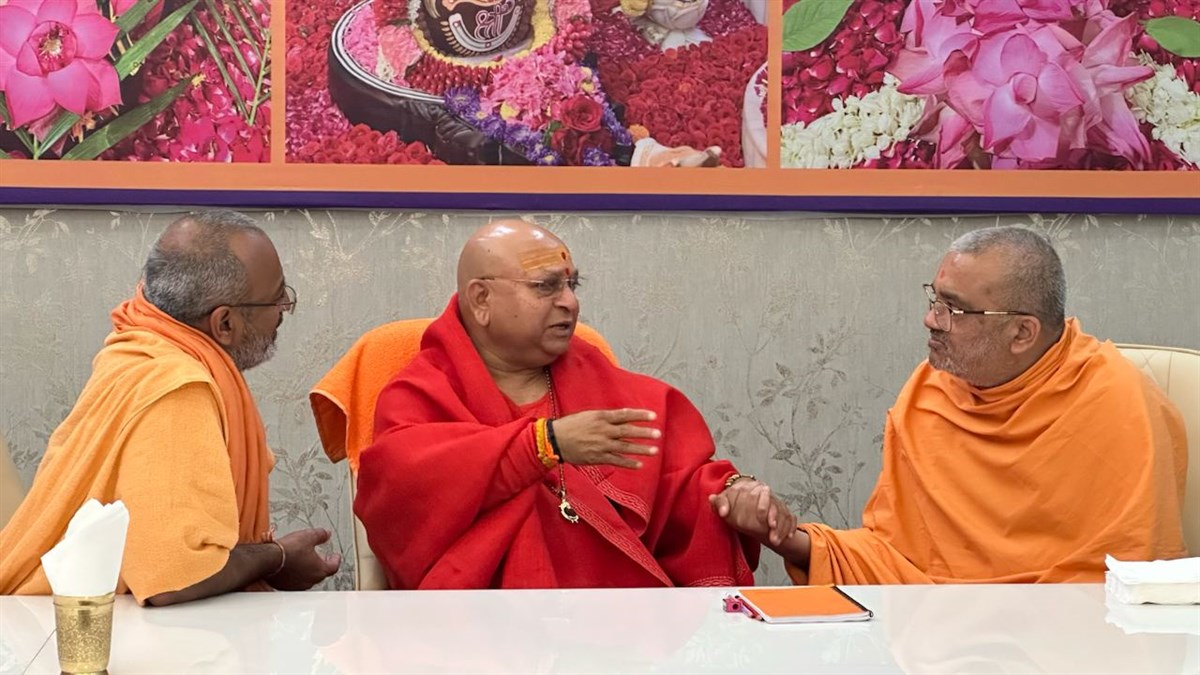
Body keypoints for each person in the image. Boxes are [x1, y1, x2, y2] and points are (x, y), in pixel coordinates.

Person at [713, 226, 1188, 584]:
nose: (930, 319)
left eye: (952, 309)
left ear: (1022, 332)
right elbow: (896, 558)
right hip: (935, 644)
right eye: (933, 299)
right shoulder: (931, 392)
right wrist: (785, 538)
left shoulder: (1117, 406)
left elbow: (1128, 584)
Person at [353, 219, 792, 589]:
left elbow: (683, 484)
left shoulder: (620, 394)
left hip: (622, 639)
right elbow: (401, 495)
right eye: (546, 286)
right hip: (482, 641)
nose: (570, 301)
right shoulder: (421, 394)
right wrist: (541, 444)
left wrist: (733, 495)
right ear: (481, 299)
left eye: (571, 284)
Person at [0, 211, 340, 605]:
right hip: (56, 631)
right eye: (278, 297)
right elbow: (173, 577)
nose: (283, 308)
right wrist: (277, 558)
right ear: (224, 324)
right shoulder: (176, 389)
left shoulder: (137, 346)